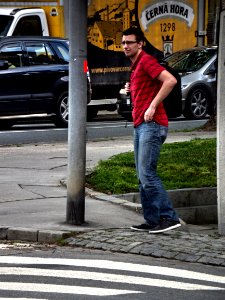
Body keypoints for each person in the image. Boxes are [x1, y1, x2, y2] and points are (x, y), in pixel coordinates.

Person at [121, 27, 181, 233]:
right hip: (141, 125)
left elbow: (170, 81)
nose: (125, 46)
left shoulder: (145, 60)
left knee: (147, 174)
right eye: (123, 43)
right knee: (141, 175)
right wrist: (130, 89)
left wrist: (153, 105)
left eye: (129, 42)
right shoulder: (136, 66)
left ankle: (169, 217)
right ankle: (152, 220)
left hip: (153, 125)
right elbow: (148, 86)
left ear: (140, 44)